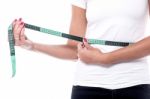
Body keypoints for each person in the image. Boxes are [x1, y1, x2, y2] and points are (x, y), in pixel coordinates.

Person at [13, 0, 150, 99]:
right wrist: (32, 45)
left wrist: (104, 58)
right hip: (88, 86)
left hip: (135, 84)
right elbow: (74, 50)